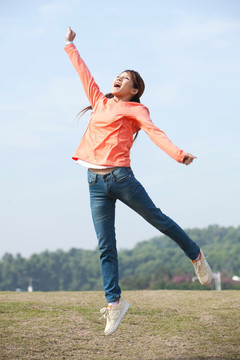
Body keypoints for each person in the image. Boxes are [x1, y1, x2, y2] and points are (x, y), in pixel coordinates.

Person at [64, 27, 212, 336]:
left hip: (121, 178)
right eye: (117, 75)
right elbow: (83, 73)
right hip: (94, 182)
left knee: (158, 220)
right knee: (106, 246)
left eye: (125, 78)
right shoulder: (99, 101)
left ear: (134, 89)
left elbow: (155, 132)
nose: (118, 79)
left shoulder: (136, 109)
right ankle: (114, 304)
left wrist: (179, 154)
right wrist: (70, 45)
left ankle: (195, 255)